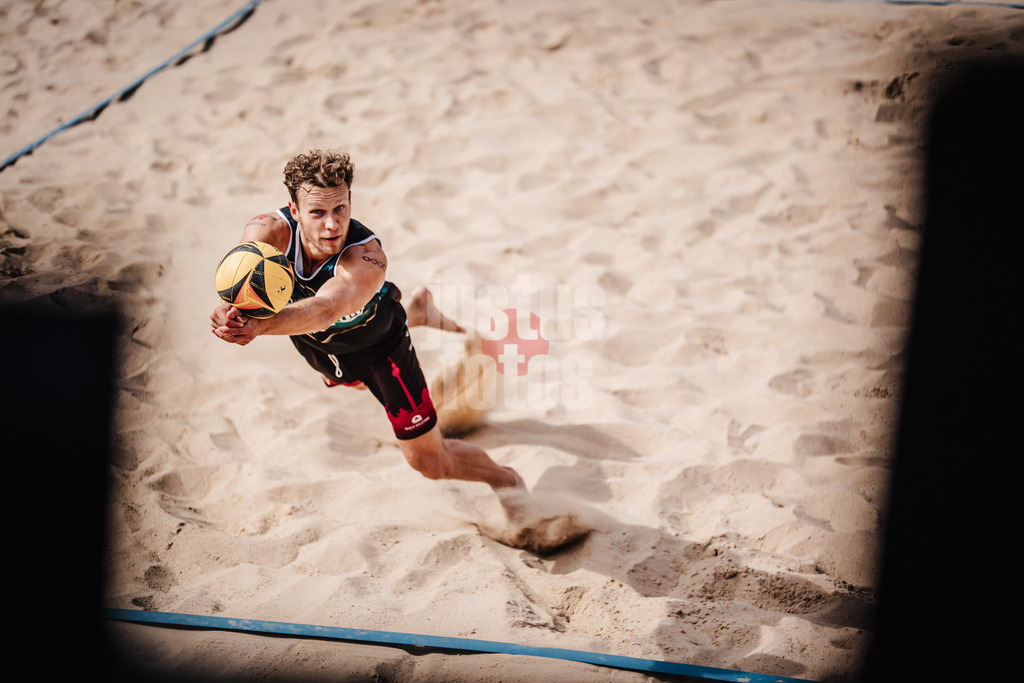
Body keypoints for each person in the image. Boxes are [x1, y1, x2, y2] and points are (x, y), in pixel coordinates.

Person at [210, 149, 526, 508]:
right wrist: (230, 312)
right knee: (354, 380)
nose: (332, 225)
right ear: (294, 211)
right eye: (317, 213)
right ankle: (416, 310)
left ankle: (506, 479)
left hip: (382, 347)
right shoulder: (267, 231)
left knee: (430, 462)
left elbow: (326, 310)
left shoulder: (365, 257)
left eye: (340, 209)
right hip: (324, 348)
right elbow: (239, 279)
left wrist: (259, 327)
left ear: (350, 201)